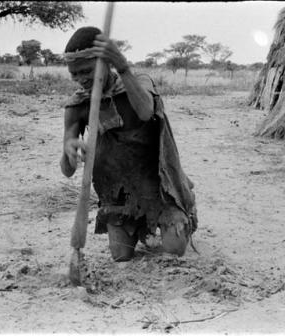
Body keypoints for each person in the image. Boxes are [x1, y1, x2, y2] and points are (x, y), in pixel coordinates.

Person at [60, 26, 197, 261]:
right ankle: (137, 223)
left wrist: (123, 66)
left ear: (106, 63)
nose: (81, 80)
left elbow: (145, 112)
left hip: (158, 183)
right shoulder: (77, 106)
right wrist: (69, 152)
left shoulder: (138, 83)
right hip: (119, 191)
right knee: (120, 255)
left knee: (175, 248)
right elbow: (67, 170)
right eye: (75, 74)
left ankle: (186, 205)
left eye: (87, 71)